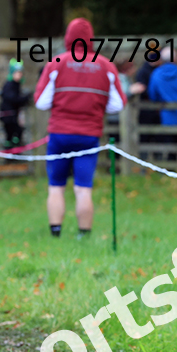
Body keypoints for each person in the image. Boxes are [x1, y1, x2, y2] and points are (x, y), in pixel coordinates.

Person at [34, 18, 126, 238]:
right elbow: (118, 104)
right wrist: (95, 108)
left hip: (59, 135)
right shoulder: (105, 65)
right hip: (88, 136)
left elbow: (41, 101)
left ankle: (55, 232)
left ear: (68, 37)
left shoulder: (57, 63)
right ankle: (83, 234)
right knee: (83, 187)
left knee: (56, 186)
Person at [148, 47, 177, 161]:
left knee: (170, 150)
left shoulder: (156, 75)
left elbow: (153, 95)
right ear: (175, 58)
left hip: (168, 117)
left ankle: (171, 173)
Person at [0, 59, 30, 148]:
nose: (20, 75)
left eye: (20, 73)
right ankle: (10, 152)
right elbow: (12, 98)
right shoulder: (10, 85)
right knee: (12, 134)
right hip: (9, 116)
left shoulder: (15, 84)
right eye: (17, 73)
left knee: (16, 133)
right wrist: (24, 98)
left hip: (13, 115)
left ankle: (14, 150)